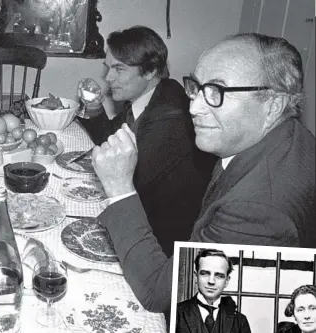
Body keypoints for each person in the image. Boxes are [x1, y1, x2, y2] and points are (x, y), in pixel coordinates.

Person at [92, 32, 316, 314]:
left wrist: (119, 188)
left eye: (217, 92)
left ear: (273, 105)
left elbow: (158, 293)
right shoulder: (287, 137)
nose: (194, 107)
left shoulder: (257, 210)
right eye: (196, 88)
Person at [77, 26, 216, 256]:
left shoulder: (171, 115)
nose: (108, 78)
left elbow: (126, 180)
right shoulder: (147, 98)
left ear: (150, 70)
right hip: (146, 216)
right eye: (108, 68)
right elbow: (110, 138)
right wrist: (93, 107)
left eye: (118, 69)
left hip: (164, 243)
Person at [176, 249, 251, 333]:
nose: (211, 281)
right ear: (196, 276)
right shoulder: (176, 313)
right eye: (205, 273)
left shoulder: (240, 321)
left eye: (219, 276)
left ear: (226, 281)